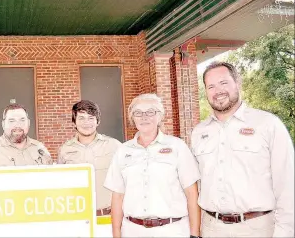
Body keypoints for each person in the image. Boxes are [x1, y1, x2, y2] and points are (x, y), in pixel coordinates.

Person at [192, 61, 294, 238]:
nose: (218, 91)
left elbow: (287, 185)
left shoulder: (267, 124)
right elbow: (196, 185)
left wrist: (285, 232)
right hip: (211, 229)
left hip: (258, 228)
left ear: (237, 83)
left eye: (224, 83)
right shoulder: (199, 132)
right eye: (211, 86)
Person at [104, 94, 201, 238]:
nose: (144, 117)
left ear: (159, 116)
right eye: (138, 113)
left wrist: (195, 234)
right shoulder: (122, 151)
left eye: (150, 112)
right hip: (132, 231)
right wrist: (116, 234)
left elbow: (192, 194)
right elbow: (117, 198)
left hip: (172, 231)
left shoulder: (177, 147)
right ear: (132, 118)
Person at [57, 100, 121, 216]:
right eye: (81, 118)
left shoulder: (114, 146)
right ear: (74, 122)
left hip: (107, 216)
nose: (86, 123)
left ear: (98, 121)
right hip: (77, 216)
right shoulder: (65, 150)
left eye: (91, 118)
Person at [0, 103, 52, 167]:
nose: (17, 125)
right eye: (11, 121)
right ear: (3, 124)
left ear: (28, 123)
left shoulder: (40, 149)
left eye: (22, 120)